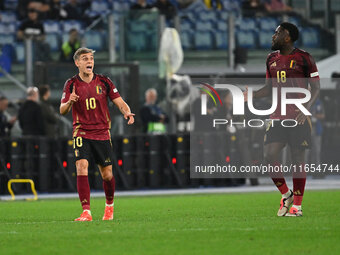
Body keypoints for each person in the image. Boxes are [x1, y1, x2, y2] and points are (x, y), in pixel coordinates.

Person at [243, 22, 320, 217]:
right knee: (269, 156)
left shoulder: (305, 58)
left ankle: (298, 207)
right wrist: (250, 95)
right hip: (277, 116)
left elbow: (316, 88)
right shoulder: (270, 59)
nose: (273, 35)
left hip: (298, 117)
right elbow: (269, 88)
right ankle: (286, 195)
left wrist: (306, 108)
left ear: (287, 37)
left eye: (277, 32)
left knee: (297, 159)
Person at [60, 47, 135, 221]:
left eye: (91, 58)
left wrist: (127, 112)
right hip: (81, 131)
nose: (89, 62)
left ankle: (109, 206)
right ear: (77, 63)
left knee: (107, 174)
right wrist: (70, 102)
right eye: (85, 58)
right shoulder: (71, 84)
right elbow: (62, 110)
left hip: (102, 132)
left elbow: (120, 102)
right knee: (81, 166)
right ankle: (86, 211)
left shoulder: (104, 82)